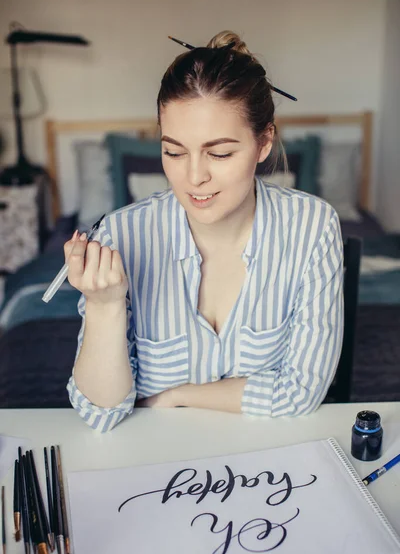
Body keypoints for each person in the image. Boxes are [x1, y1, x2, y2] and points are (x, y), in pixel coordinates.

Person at [65, 30, 344, 432]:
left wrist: (178, 397)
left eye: (220, 153)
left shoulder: (313, 228)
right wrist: (104, 305)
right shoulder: (120, 235)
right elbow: (101, 412)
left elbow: (301, 390)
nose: (194, 177)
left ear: (264, 142)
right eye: (174, 152)